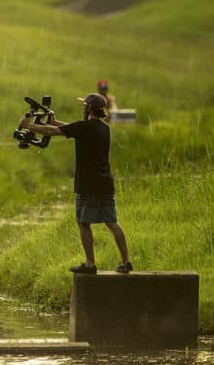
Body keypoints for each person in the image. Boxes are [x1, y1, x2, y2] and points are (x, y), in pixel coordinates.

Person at [21, 92, 132, 274]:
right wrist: (55, 121)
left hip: (88, 184)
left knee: (83, 223)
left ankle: (90, 265)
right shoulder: (104, 128)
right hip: (105, 183)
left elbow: (52, 131)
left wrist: (28, 125)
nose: (83, 108)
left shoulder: (84, 128)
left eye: (84, 105)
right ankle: (126, 262)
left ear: (88, 108)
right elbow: (73, 129)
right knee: (112, 222)